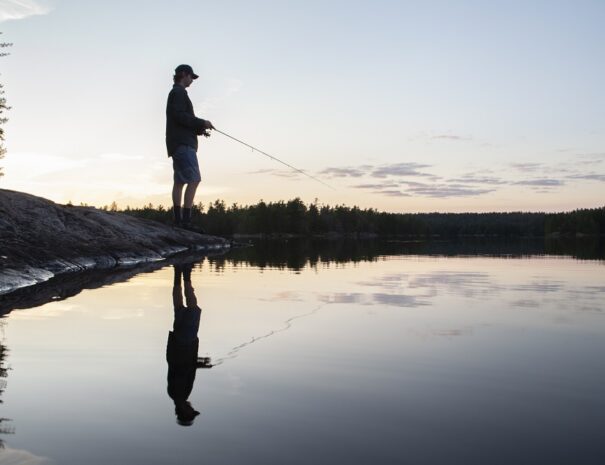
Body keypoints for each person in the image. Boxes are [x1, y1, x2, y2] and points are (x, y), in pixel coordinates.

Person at [166, 64, 214, 230]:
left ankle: (177, 220)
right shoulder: (179, 93)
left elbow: (181, 119)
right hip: (183, 144)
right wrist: (202, 122)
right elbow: (180, 116)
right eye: (191, 77)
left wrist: (200, 130)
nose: (192, 81)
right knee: (194, 179)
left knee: (179, 181)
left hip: (176, 143)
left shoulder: (175, 93)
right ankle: (186, 221)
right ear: (184, 75)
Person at [166, 263, 212, 426]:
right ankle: (178, 272)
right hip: (178, 345)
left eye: (190, 412)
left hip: (184, 344)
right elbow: (182, 368)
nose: (192, 409)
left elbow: (181, 368)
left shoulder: (179, 394)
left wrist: (197, 364)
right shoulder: (175, 395)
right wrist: (199, 364)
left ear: (183, 412)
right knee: (178, 308)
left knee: (193, 308)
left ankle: (186, 274)